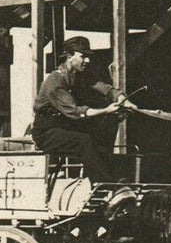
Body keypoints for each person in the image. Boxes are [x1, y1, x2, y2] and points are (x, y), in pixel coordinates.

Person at [31, 36, 138, 183]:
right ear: (69, 57)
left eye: (88, 57)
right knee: (84, 141)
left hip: (66, 125)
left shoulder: (82, 74)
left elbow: (104, 88)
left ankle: (110, 177)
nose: (87, 61)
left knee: (106, 126)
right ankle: (103, 186)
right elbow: (75, 111)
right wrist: (106, 110)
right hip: (47, 131)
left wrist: (121, 99)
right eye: (83, 56)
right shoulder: (55, 80)